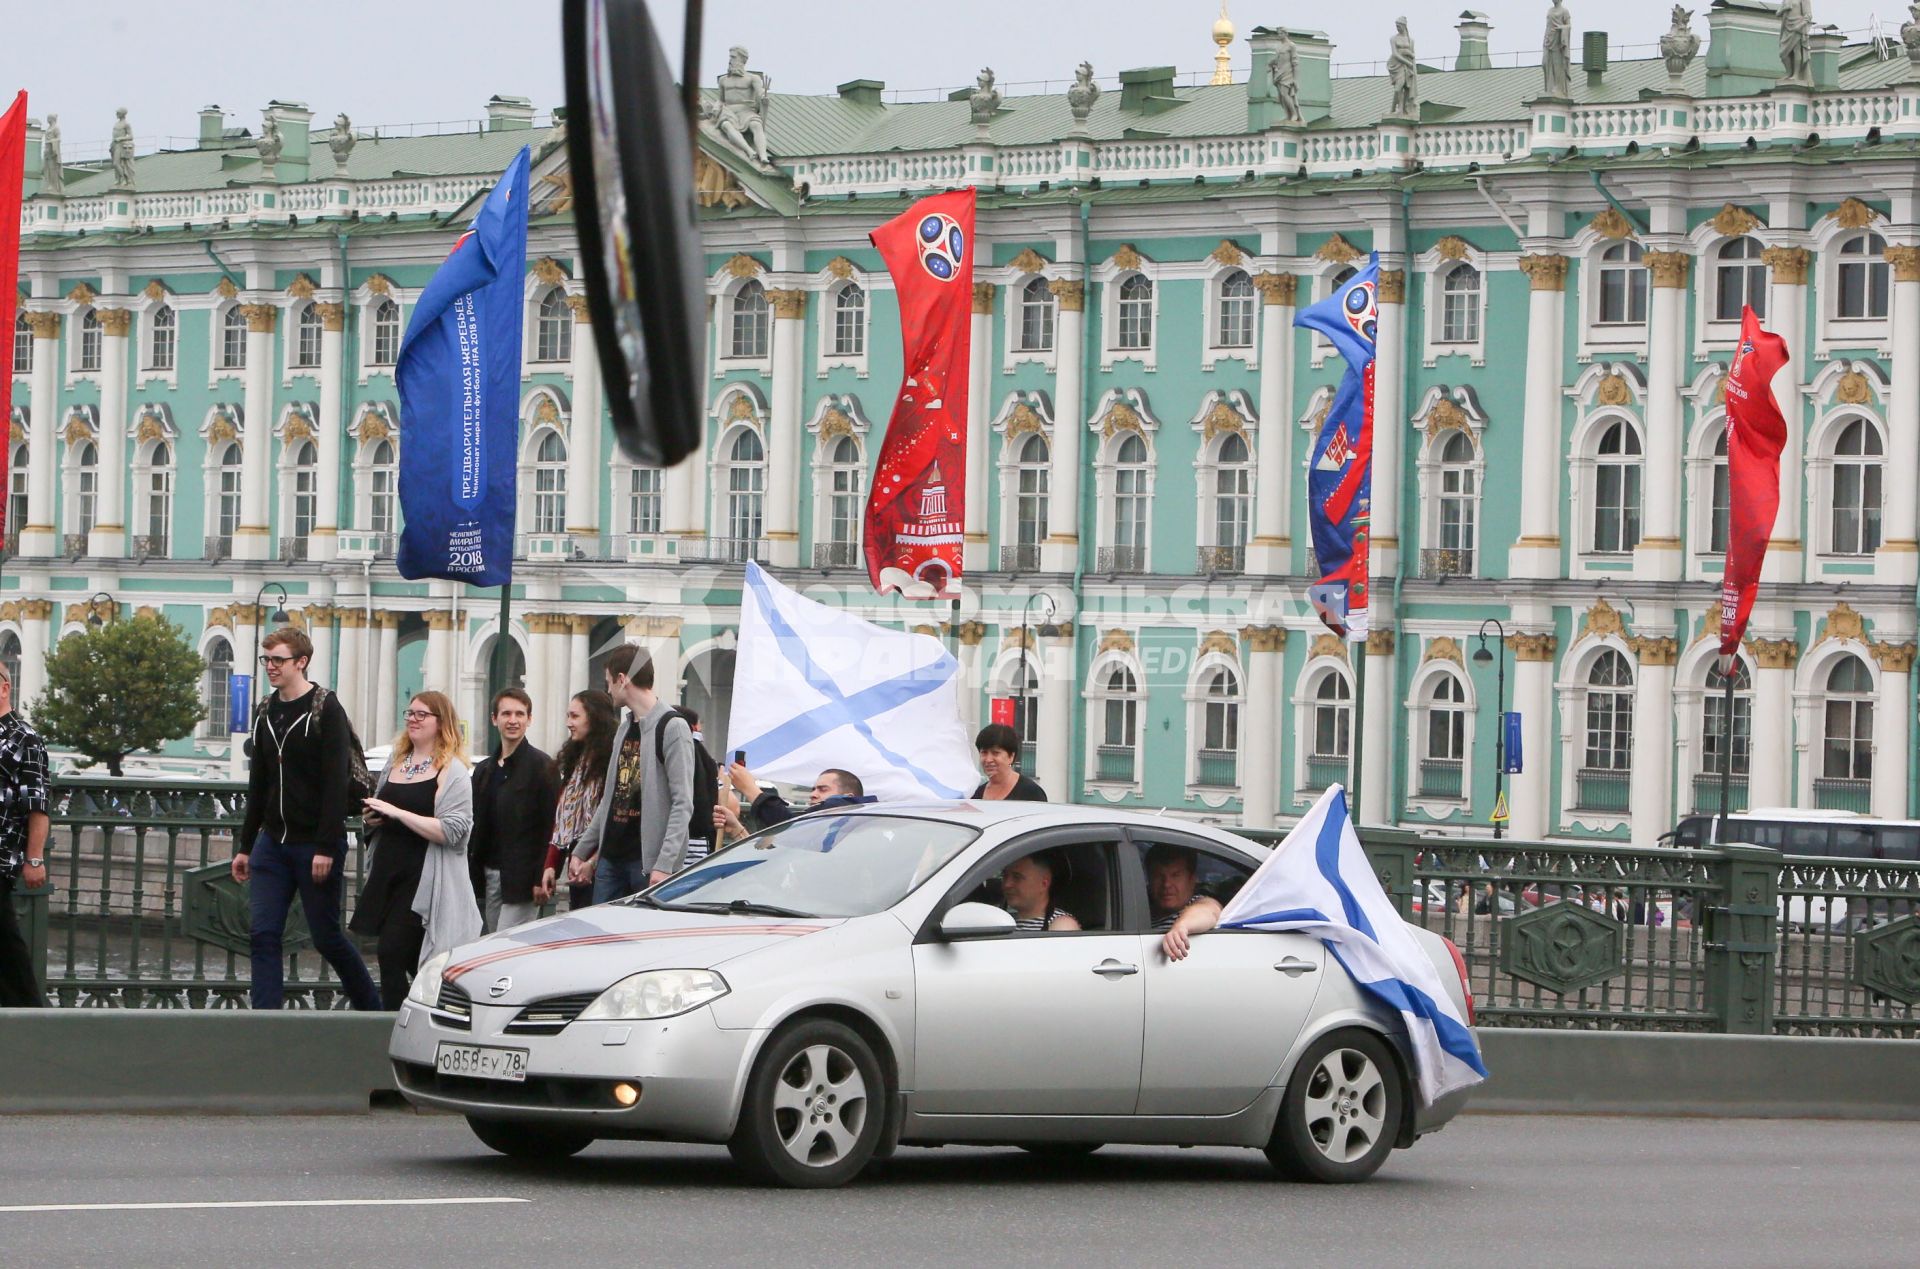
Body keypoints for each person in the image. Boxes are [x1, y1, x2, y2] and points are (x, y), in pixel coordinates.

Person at [234, 627, 380, 1011]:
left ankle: (372, 1008)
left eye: (278, 660)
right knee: (263, 934)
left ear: (302, 662)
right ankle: (266, 1021)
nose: (270, 667)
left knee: (326, 937)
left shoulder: (325, 707)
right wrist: (246, 846)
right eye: (267, 660)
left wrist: (325, 845)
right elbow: (259, 783)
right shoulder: (266, 710)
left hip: (313, 845)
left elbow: (335, 784)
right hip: (272, 844)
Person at [350, 692, 480, 1009]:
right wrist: (373, 819)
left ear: (441, 723)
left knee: (392, 952)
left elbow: (454, 831)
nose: (413, 720)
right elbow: (380, 815)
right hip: (388, 873)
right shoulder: (398, 762)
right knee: (409, 959)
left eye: (423, 715)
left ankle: (400, 1024)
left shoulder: (453, 771)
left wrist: (397, 813)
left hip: (424, 877)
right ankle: (435, 1011)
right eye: (410, 713)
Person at [573, 645, 695, 904]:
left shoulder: (673, 727)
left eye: (609, 682)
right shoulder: (624, 728)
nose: (608, 690)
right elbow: (610, 799)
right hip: (610, 859)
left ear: (622, 679)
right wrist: (582, 850)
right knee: (602, 939)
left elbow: (682, 802)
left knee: (643, 941)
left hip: (647, 863)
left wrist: (664, 864)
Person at [467, 688, 560, 933]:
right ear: (494, 719)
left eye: (520, 714)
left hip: (523, 878)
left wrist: (542, 875)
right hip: (487, 874)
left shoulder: (543, 767)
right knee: (489, 944)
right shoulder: (484, 770)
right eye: (506, 713)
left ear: (529, 720)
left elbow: (551, 825)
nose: (513, 720)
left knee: (507, 945)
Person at [538, 690, 619, 910]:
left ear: (594, 718)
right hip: (576, 862)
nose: (568, 723)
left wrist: (591, 861)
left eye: (575, 716)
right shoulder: (576, 759)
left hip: (602, 866)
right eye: (568, 716)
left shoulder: (612, 760)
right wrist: (550, 865)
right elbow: (564, 817)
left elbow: (608, 817)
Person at [0, 662, 52, 1007]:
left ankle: (30, 1013)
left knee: (5, 940)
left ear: (4, 688)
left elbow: (38, 805)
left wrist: (34, 859)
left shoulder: (25, 738)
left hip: (1, 854)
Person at [722, 763, 876, 836]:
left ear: (848, 798)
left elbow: (788, 827)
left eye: (823, 789)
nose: (813, 794)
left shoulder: (844, 818)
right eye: (813, 789)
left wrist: (750, 788)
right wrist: (736, 828)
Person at [1000, 854, 1080, 932]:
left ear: (1044, 884)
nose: (1007, 884)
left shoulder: (1061, 925)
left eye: (1017, 877)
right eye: (1005, 876)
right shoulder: (1005, 922)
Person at [971, 723, 1046, 801]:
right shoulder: (976, 795)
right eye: (984, 753)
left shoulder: (1032, 793)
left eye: (995, 753)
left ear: (1011, 756)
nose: (988, 759)